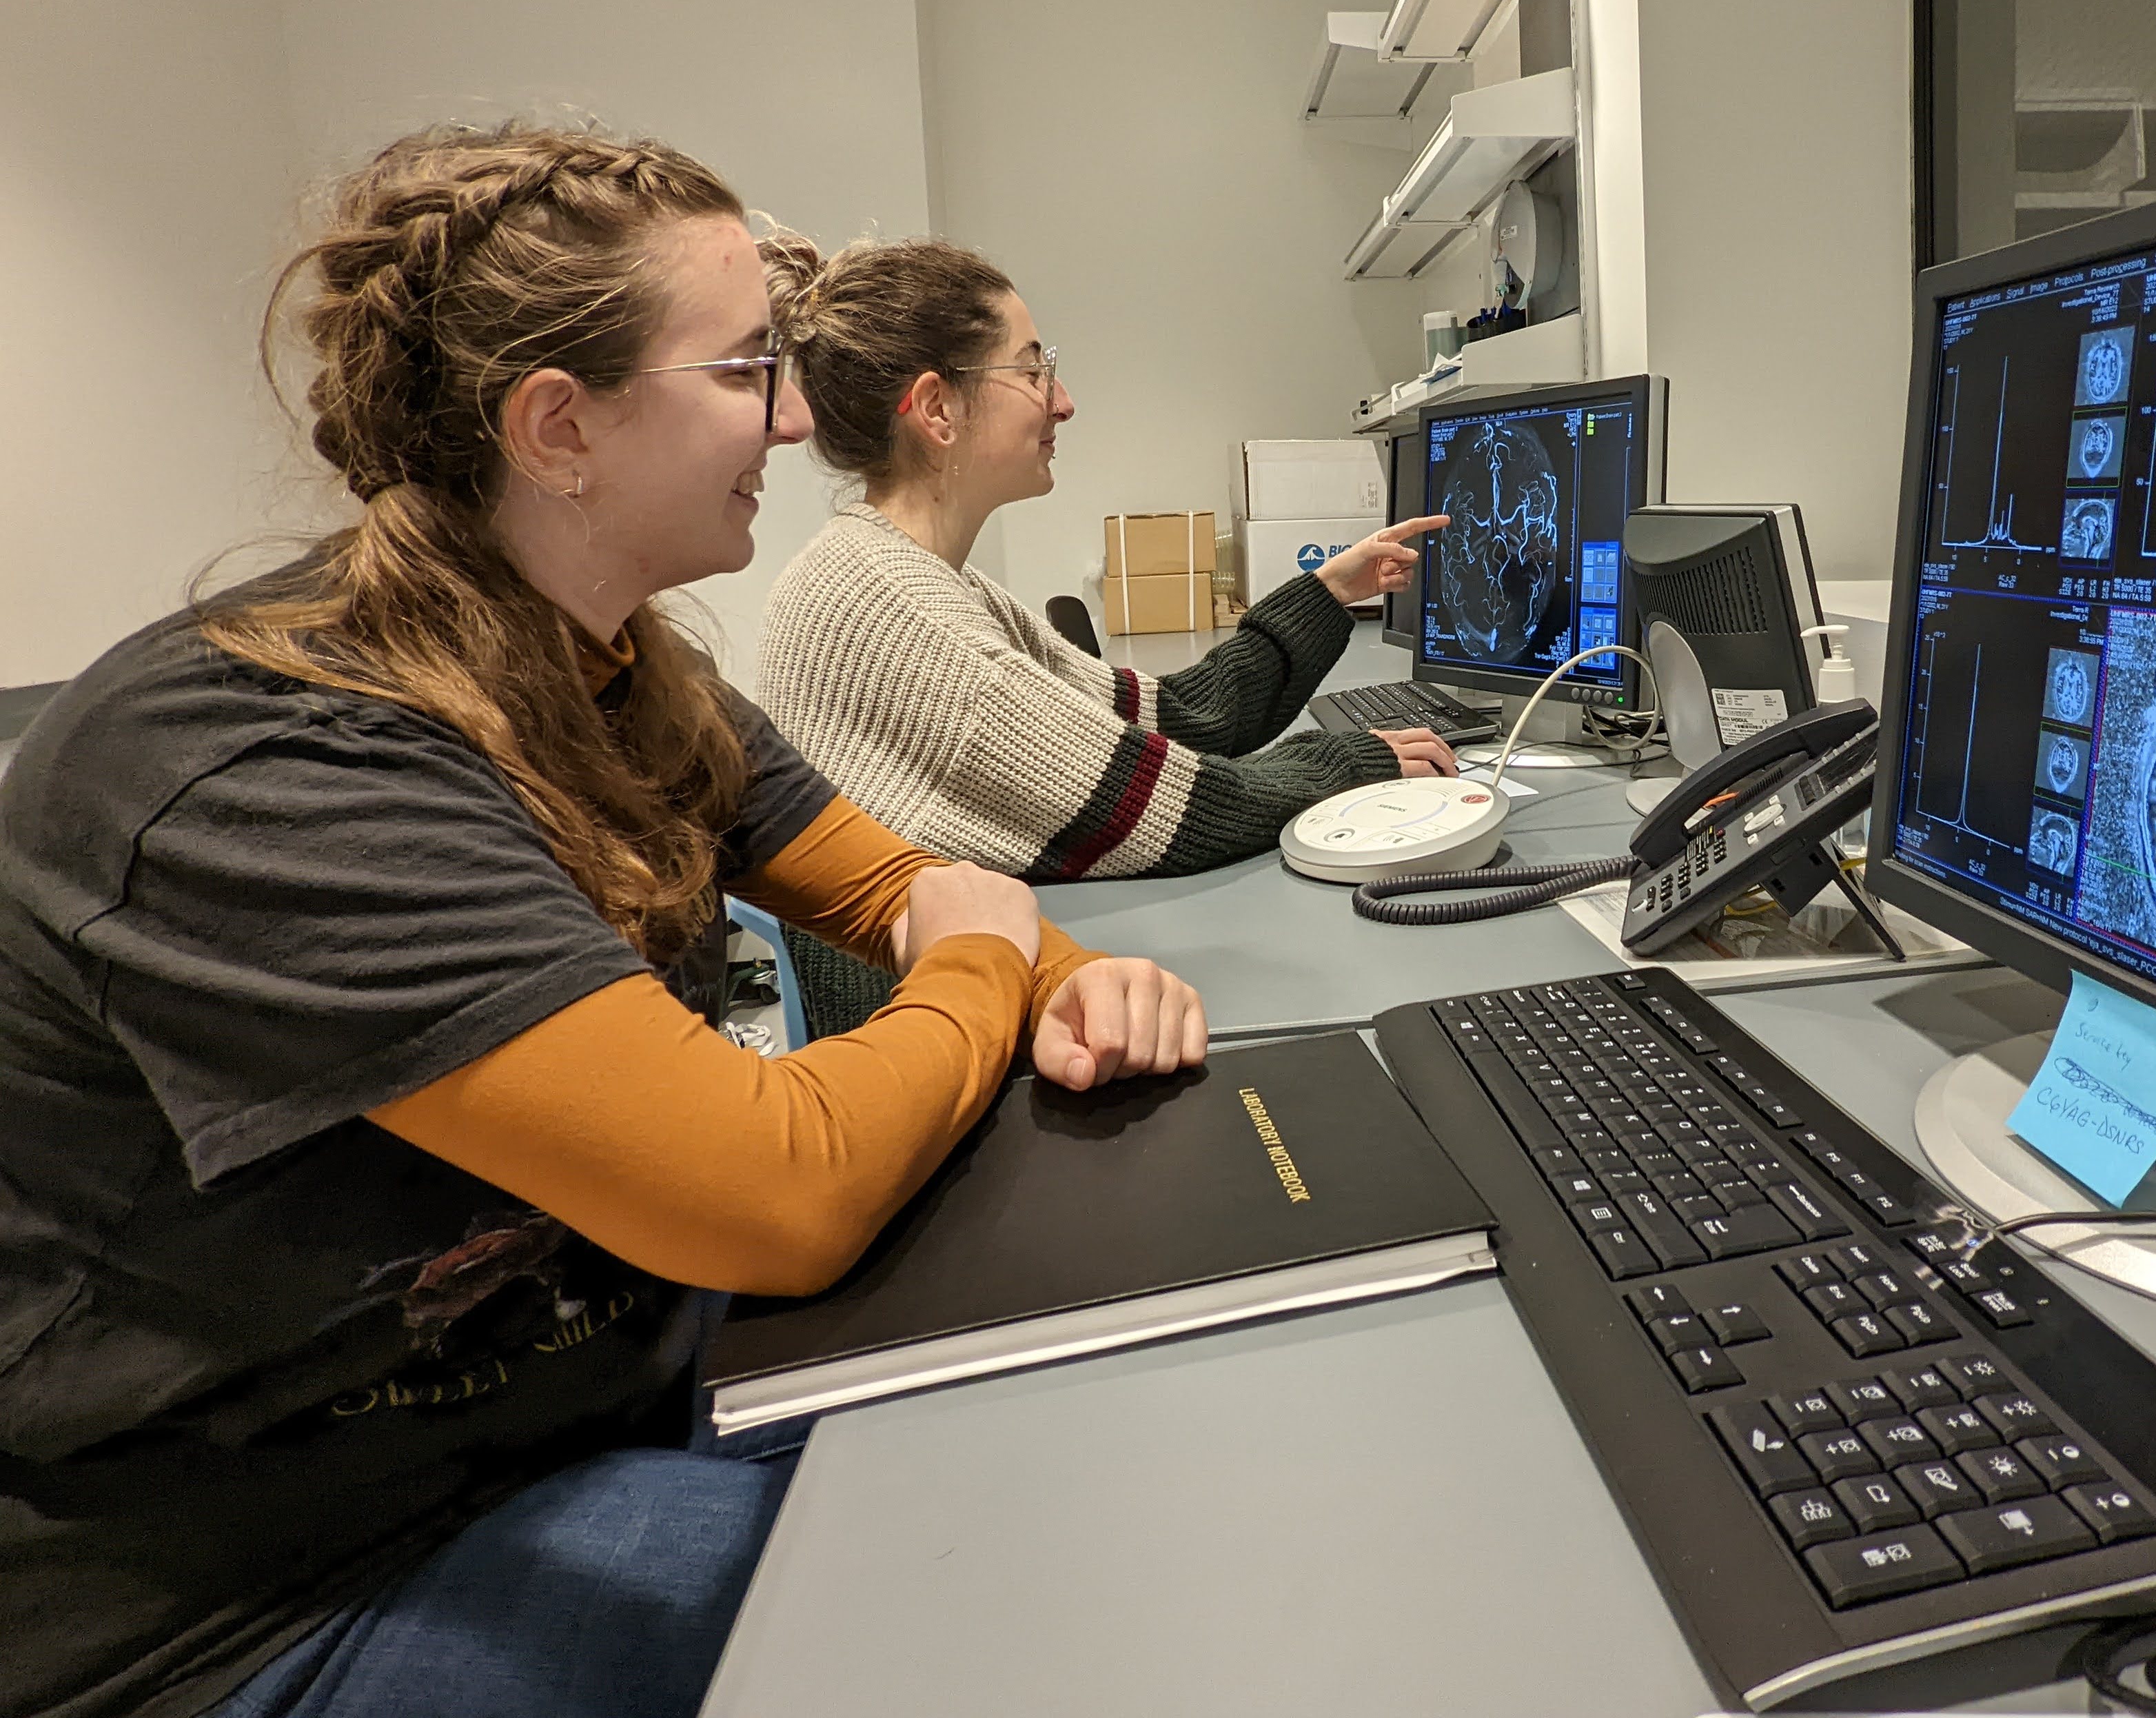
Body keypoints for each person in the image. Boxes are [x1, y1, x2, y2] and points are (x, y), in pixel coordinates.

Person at [0, 127, 1204, 1718]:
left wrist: (1075, 979)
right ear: (560, 426)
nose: (791, 417)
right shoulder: (259, 757)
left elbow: (888, 888)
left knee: (1080, 1421)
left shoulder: (621, 666)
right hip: (279, 1588)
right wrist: (994, 962)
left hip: (584, 1400)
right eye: (745, 374)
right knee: (1032, 1577)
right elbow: (786, 1188)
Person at [753, 235, 1456, 885]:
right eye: (1034, 370)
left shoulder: (905, 576)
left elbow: (1180, 720)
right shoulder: (894, 611)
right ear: (938, 410)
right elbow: (1182, 813)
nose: (1063, 402)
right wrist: (1356, 760)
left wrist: (1326, 592)